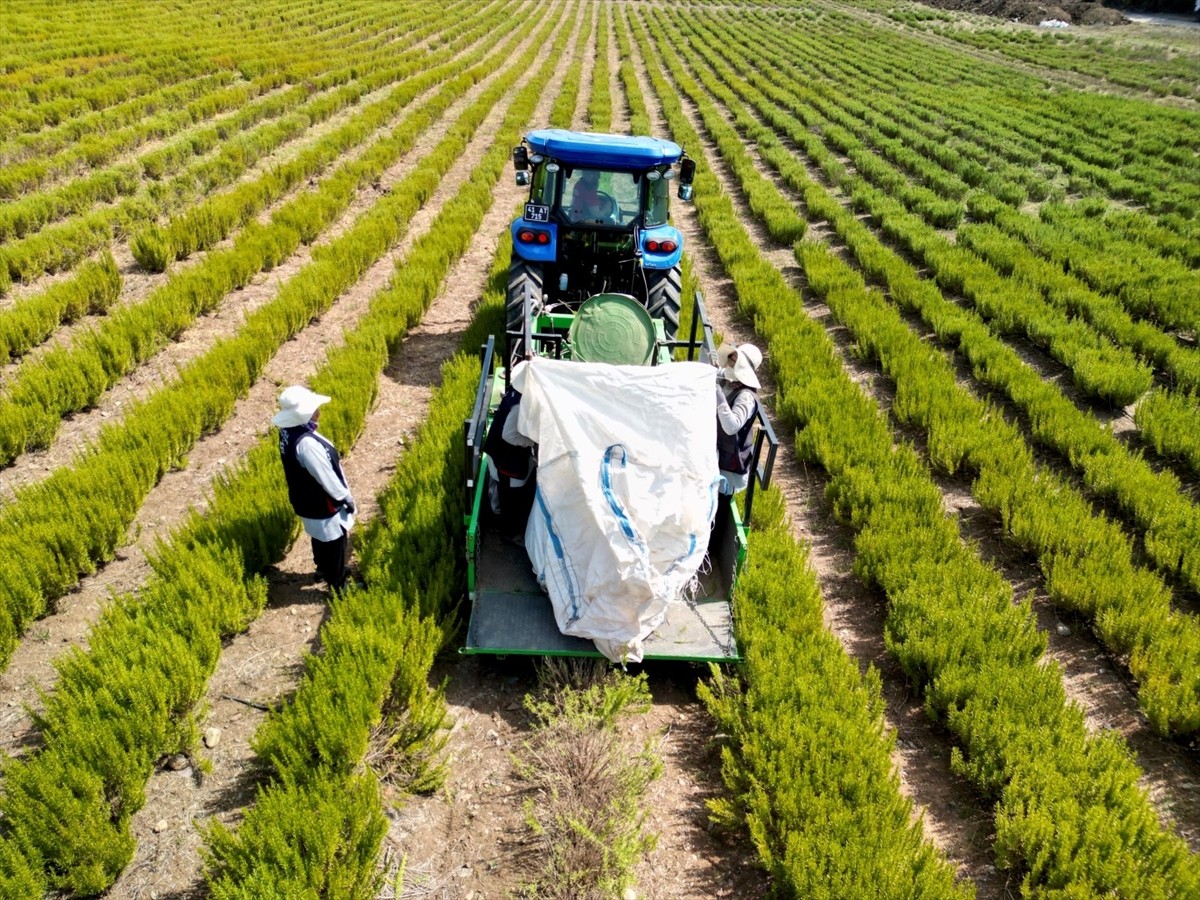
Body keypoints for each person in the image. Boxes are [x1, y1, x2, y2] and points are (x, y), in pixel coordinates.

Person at [273, 385, 355, 591]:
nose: (318, 412)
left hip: (304, 499)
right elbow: (325, 476)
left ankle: (322, 568)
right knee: (335, 541)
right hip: (322, 502)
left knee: (318, 536)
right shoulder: (306, 444)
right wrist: (345, 497)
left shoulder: (288, 433)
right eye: (313, 410)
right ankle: (338, 583)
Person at [714, 342, 762, 495]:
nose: (729, 363)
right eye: (730, 358)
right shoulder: (729, 380)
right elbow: (716, 373)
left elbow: (731, 426)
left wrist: (719, 397)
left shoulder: (746, 397)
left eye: (734, 361)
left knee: (719, 506)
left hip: (729, 468)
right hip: (718, 455)